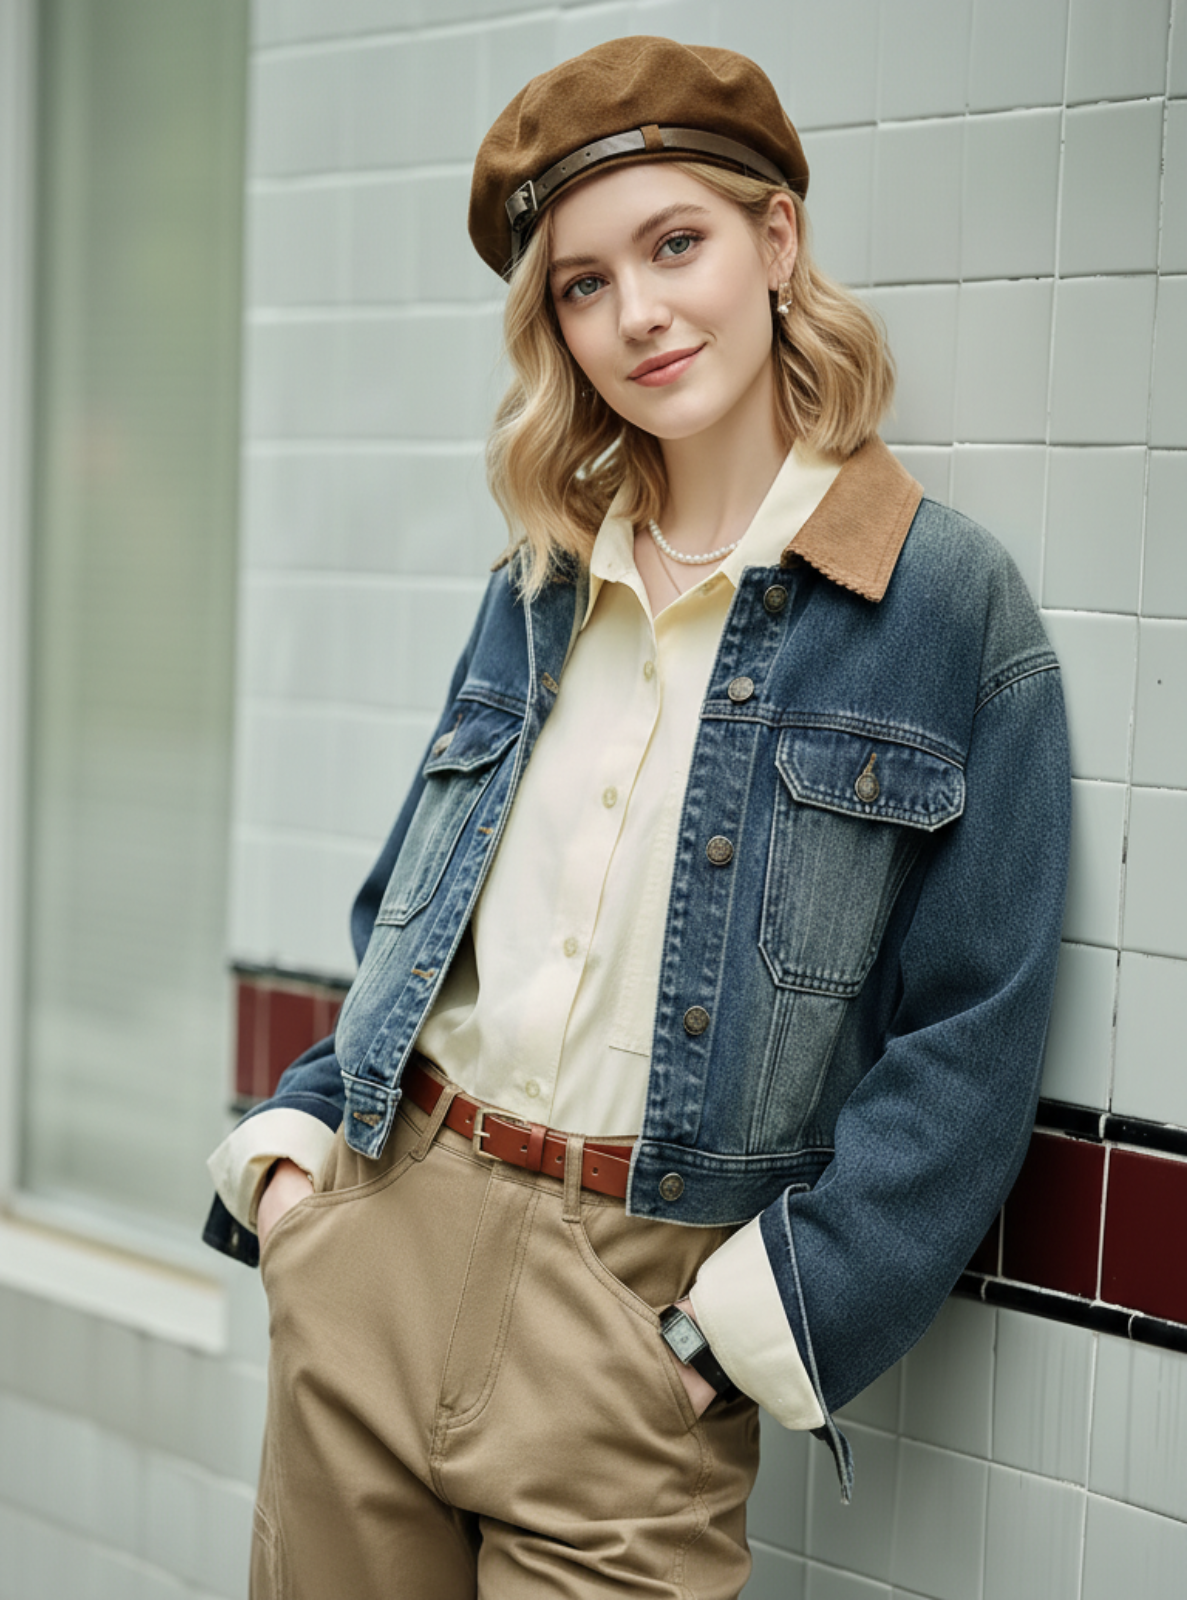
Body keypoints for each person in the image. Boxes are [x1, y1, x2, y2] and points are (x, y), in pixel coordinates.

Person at [203, 36, 1072, 1600]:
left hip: (636, 1326)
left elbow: (972, 1033)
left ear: (775, 241)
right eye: (582, 285)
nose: (637, 314)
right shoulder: (538, 582)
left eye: (675, 245)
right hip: (381, 1246)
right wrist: (296, 1175)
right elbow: (414, 909)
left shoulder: (938, 604)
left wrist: (736, 1336)